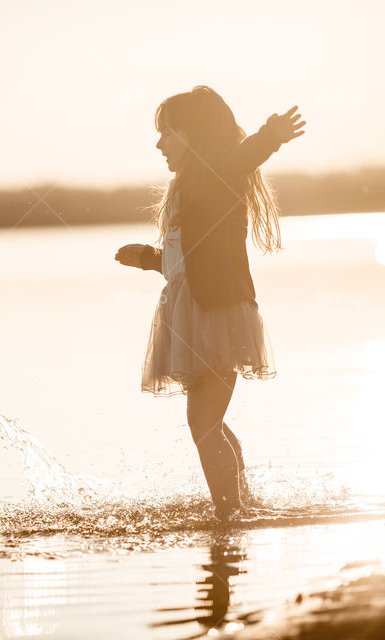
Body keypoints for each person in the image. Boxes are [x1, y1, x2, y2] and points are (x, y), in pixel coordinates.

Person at [115, 85, 306, 520]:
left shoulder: (216, 175)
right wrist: (148, 258)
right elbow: (184, 262)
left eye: (168, 133)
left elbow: (242, 158)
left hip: (219, 313)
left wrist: (271, 135)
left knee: (203, 425)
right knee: (208, 423)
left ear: (194, 135)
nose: (159, 143)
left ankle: (228, 516)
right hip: (194, 313)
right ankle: (239, 505)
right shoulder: (184, 190)